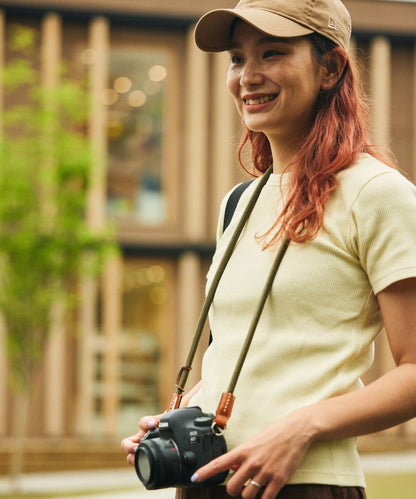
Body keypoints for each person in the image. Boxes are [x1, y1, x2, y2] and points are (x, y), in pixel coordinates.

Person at [121, 0, 416, 497]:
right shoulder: (238, 203)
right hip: (206, 480)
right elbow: (243, 355)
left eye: (272, 54)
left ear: (331, 68)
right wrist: (182, 415)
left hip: (306, 482)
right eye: (238, 58)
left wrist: (303, 427)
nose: (248, 76)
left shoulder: (378, 194)